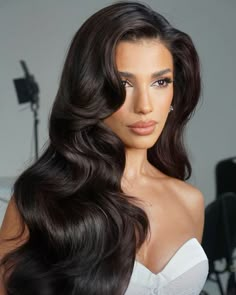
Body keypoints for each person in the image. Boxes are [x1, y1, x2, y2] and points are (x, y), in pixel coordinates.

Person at [0, 1, 208, 294]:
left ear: (176, 89)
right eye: (124, 83)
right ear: (91, 90)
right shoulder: (39, 200)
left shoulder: (190, 202)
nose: (145, 106)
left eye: (160, 82)